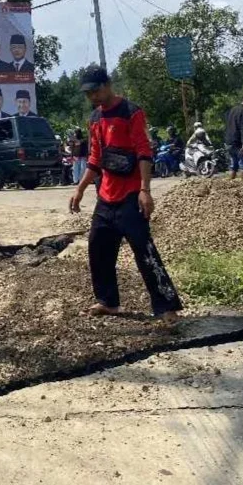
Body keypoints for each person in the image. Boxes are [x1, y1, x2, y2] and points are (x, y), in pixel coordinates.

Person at [69, 65, 182, 325]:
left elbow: (144, 152)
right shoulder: (95, 119)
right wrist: (80, 188)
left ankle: (166, 307)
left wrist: (145, 190)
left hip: (131, 195)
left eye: (96, 91)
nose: (93, 97)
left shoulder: (131, 112)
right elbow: (95, 159)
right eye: (88, 94)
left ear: (107, 85)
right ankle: (108, 302)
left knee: (145, 251)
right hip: (106, 197)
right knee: (98, 248)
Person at [225, 94, 243, 180]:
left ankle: (229, 186)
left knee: (233, 165)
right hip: (238, 142)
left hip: (229, 140)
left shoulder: (232, 110)